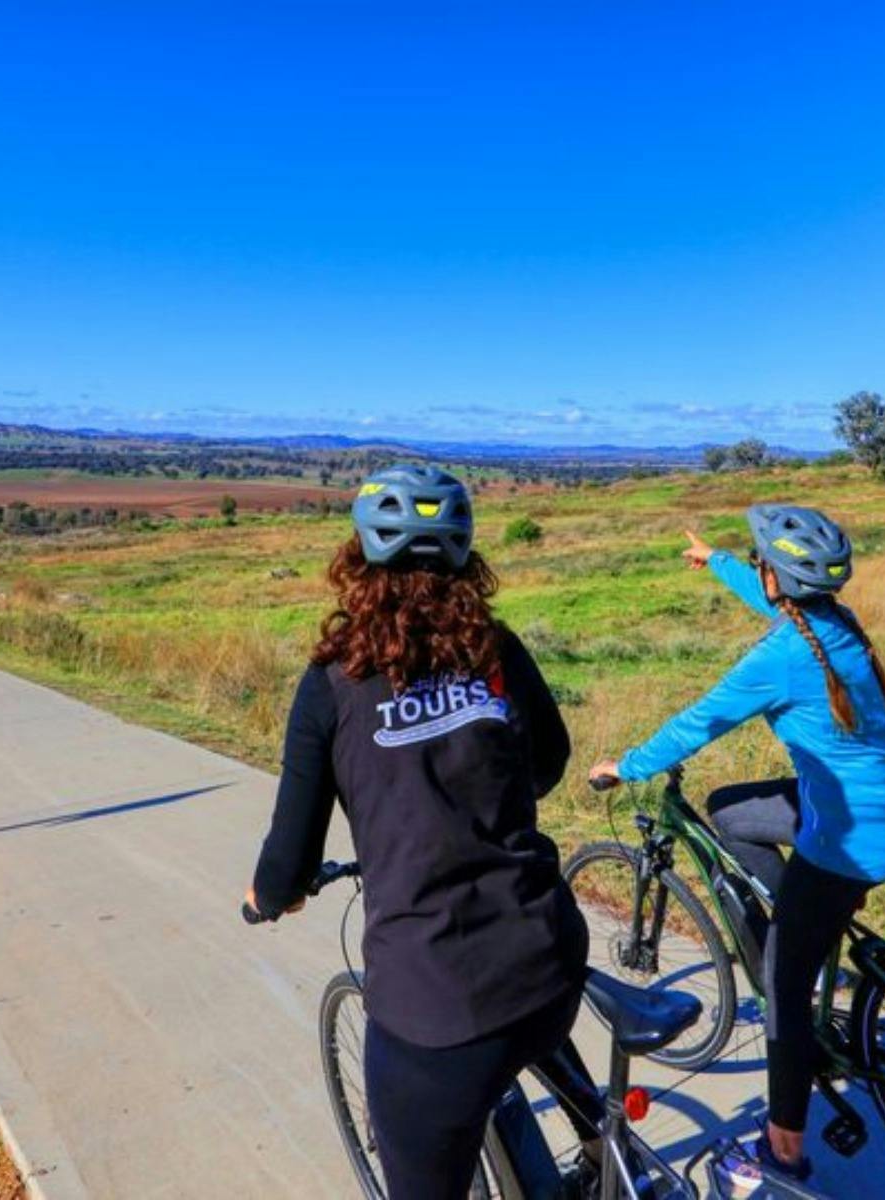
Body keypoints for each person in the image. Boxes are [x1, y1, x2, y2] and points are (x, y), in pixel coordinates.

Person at [246, 464, 598, 1200]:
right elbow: (551, 760)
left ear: (359, 563)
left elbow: (290, 855)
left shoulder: (333, 683)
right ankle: (602, 1152)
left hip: (436, 1005)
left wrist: (269, 895)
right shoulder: (494, 649)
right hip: (549, 953)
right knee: (529, 1033)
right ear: (467, 562)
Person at [588, 504, 885, 1183]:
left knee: (784, 986)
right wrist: (716, 562)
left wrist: (625, 765)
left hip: (849, 839)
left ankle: (783, 1151)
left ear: (779, 576)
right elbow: (776, 603)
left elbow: (700, 720)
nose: (760, 574)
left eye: (759, 563)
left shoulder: (781, 657)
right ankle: (788, 923)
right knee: (730, 812)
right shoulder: (831, 621)